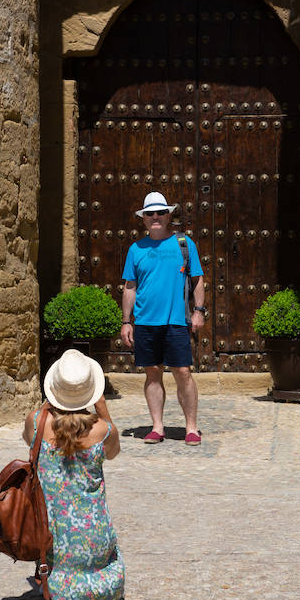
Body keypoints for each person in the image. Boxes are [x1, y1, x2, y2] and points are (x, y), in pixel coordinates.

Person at [22, 348, 124, 600]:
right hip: (96, 536)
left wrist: (48, 406)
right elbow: (114, 452)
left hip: (52, 536)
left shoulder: (35, 421)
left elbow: (28, 440)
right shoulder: (102, 430)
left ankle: (56, 584)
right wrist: (103, 410)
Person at [121, 191, 205, 445]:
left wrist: (198, 311)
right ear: (143, 219)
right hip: (146, 322)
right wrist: (127, 321)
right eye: (150, 213)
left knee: (183, 372)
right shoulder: (136, 249)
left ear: (169, 215)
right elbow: (130, 287)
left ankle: (191, 426)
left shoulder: (184, 244)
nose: (155, 217)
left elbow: (197, 279)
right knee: (153, 373)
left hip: (177, 321)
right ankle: (157, 427)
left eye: (160, 212)